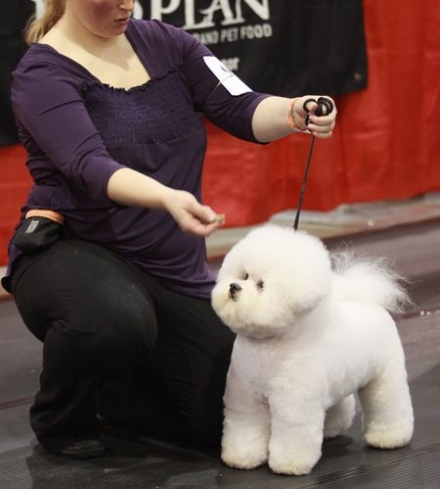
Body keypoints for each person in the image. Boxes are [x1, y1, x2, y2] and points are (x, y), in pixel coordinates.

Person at [1, 0, 337, 459]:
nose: (126, 5)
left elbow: (240, 105)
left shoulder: (169, 43)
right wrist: (165, 196)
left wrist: (295, 111)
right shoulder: (41, 75)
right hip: (73, 252)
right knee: (110, 321)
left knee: (227, 416)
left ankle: (116, 383)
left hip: (172, 268)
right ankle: (61, 416)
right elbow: (88, 166)